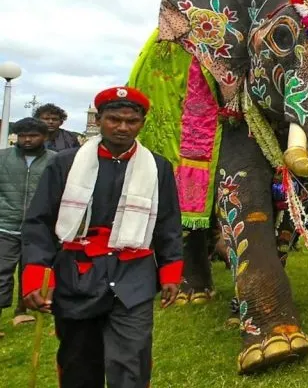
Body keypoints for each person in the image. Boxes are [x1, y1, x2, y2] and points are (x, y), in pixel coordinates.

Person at [21, 86, 183, 387]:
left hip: (133, 275)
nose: (122, 127)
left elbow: (168, 223)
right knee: (78, 360)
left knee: (132, 360)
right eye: (114, 119)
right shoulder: (65, 163)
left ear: (142, 123)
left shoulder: (158, 167)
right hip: (77, 272)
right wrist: (35, 273)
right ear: (100, 119)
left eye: (131, 121)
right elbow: (39, 222)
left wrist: (172, 270)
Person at [0, 118, 56, 336]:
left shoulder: (55, 161)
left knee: (31, 270)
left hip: (39, 227)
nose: (27, 139)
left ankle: (22, 311)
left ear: (45, 137)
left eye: (33, 135)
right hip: (5, 225)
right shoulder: (3, 158)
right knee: (1, 271)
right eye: (23, 135)